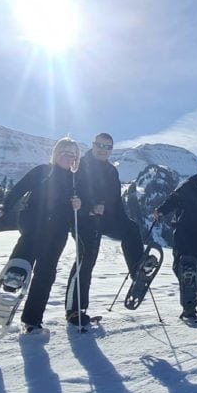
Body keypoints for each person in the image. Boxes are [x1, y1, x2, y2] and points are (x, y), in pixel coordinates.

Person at [0, 137, 86, 334]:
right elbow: (20, 188)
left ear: (75, 159)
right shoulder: (43, 171)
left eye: (72, 154)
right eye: (63, 151)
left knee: (46, 272)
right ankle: (15, 273)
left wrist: (78, 205)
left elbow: (79, 205)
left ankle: (32, 320)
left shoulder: (75, 181)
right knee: (31, 239)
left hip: (58, 229)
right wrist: (3, 207)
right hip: (34, 218)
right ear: (55, 152)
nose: (66, 156)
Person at [63, 132, 129, 326]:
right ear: (93, 145)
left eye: (108, 147)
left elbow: (115, 199)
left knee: (90, 260)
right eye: (100, 145)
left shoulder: (111, 170)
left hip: (99, 221)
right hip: (81, 218)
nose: (103, 150)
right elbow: (73, 190)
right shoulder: (80, 164)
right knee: (84, 259)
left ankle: (138, 272)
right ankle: (73, 310)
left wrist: (124, 222)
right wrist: (90, 206)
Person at [153, 160, 197, 319]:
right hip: (182, 230)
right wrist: (161, 211)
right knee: (180, 265)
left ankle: (190, 307)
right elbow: (173, 200)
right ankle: (188, 297)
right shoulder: (187, 185)